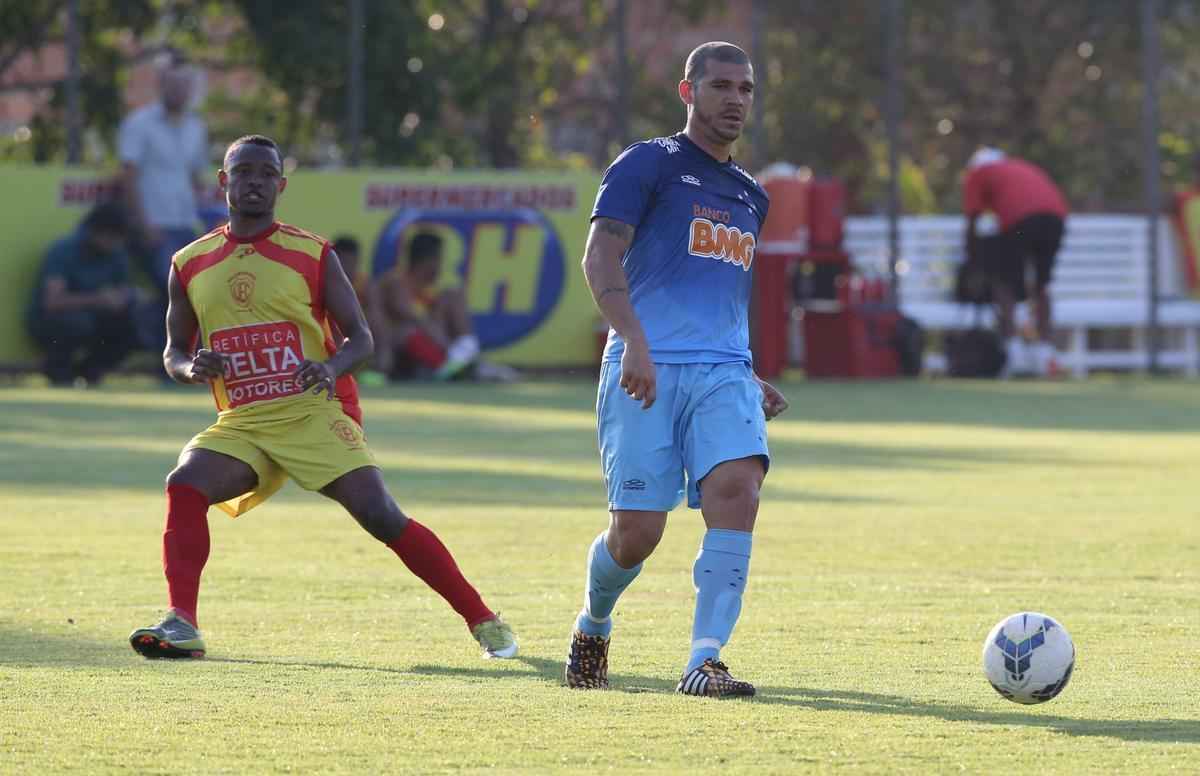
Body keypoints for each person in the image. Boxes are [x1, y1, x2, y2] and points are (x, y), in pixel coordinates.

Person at [128, 135, 518, 661]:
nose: (255, 182)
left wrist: (330, 367)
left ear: (282, 186)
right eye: (243, 172)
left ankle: (483, 618)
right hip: (243, 421)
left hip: (315, 411)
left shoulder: (312, 253)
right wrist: (189, 367)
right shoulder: (189, 263)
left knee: (381, 516)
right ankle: (182, 623)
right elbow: (174, 352)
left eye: (267, 173)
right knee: (185, 483)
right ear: (223, 182)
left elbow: (362, 339)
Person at [564, 42, 788, 699]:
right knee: (637, 535)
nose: (735, 99)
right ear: (688, 93)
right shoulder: (647, 164)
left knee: (738, 492)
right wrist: (632, 339)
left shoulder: (751, 195)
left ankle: (705, 658)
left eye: (745, 88)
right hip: (645, 369)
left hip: (723, 373)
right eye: (720, 85)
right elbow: (600, 255)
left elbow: (719, 296)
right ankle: (593, 621)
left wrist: (745, 375)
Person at [962, 147, 1069, 376]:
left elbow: (972, 221)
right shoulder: (1020, 166)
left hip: (1020, 219)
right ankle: (1044, 353)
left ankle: (1015, 353)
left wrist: (971, 260)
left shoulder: (978, 174)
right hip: (1056, 217)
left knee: (1003, 282)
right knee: (1042, 284)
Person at [118, 58, 210, 295]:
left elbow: (196, 178)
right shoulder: (139, 123)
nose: (179, 91)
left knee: (196, 293)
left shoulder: (196, 127)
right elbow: (128, 177)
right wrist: (143, 225)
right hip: (154, 224)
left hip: (187, 224)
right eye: (173, 84)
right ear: (161, 86)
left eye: (184, 85)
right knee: (171, 291)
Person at [25, 202, 142, 386]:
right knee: (77, 323)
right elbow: (52, 302)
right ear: (96, 232)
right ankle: (58, 371)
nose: (116, 243)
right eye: (112, 237)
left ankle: (91, 371)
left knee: (136, 325)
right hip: (52, 321)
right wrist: (98, 299)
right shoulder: (63, 251)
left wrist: (127, 297)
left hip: (95, 318)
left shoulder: (117, 254)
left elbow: (122, 290)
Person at [370, 231, 497, 380]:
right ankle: (450, 365)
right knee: (409, 330)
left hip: (433, 344)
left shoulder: (432, 288)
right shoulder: (395, 281)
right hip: (396, 346)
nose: (442, 265)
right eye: (440, 259)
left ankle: (465, 351)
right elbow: (411, 316)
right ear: (430, 260)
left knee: (453, 295)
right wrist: (446, 345)